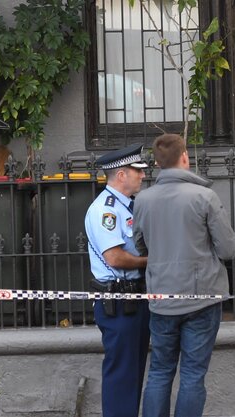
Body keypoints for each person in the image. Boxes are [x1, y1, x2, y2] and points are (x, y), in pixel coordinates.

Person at [133, 133, 235, 417]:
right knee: (192, 375)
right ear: (185, 158)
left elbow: (140, 246)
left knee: (159, 372)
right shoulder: (205, 196)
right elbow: (227, 249)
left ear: (156, 163)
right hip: (201, 298)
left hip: (161, 300)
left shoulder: (142, 200)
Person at [84, 143, 151, 417]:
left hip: (135, 299)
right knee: (122, 375)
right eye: (138, 171)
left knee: (133, 373)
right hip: (119, 302)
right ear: (121, 174)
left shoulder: (129, 206)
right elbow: (115, 258)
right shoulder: (106, 210)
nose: (143, 176)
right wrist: (154, 261)